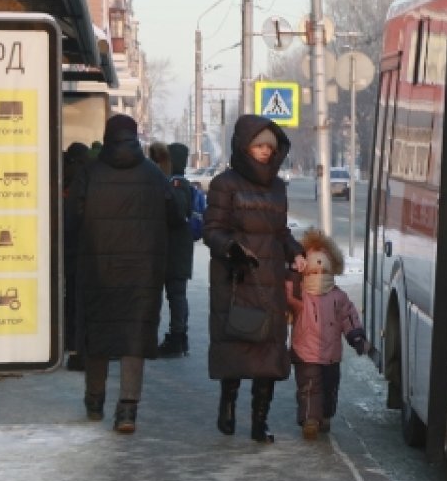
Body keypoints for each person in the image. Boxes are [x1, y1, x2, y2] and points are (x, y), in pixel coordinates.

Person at [69, 114, 180, 433]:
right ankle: (128, 411)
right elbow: (175, 215)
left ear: (107, 136)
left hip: (97, 269)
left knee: (97, 333)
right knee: (134, 337)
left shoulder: (89, 173)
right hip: (142, 272)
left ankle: (94, 401)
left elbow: (73, 220)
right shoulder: (154, 175)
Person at [203, 115, 305, 443]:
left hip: (270, 281)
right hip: (237, 278)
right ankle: (228, 404)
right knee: (236, 346)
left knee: (269, 353)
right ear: (244, 147)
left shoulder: (277, 186)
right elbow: (212, 230)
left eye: (269, 147)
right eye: (258, 145)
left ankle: (260, 421)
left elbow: (280, 231)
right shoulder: (225, 184)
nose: (264, 152)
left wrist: (295, 252)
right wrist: (232, 249)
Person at [285, 227, 369, 440]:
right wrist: (290, 274)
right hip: (305, 351)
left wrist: (356, 336)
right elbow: (285, 296)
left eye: (323, 270)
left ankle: (325, 415)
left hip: (331, 354)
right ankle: (309, 420)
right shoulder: (299, 294)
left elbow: (349, 317)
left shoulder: (338, 297)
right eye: (313, 270)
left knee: (330, 387)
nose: (319, 274)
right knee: (309, 387)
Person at [154, 142, 196, 357]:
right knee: (176, 295)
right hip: (177, 250)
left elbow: (177, 214)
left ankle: (177, 338)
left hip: (174, 251)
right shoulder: (180, 183)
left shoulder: (176, 184)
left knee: (175, 296)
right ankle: (179, 338)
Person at [61, 142, 90, 372]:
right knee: (78, 302)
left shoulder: (71, 180)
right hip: (83, 252)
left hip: (70, 251)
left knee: (72, 301)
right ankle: (76, 347)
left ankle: (72, 344)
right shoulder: (88, 178)